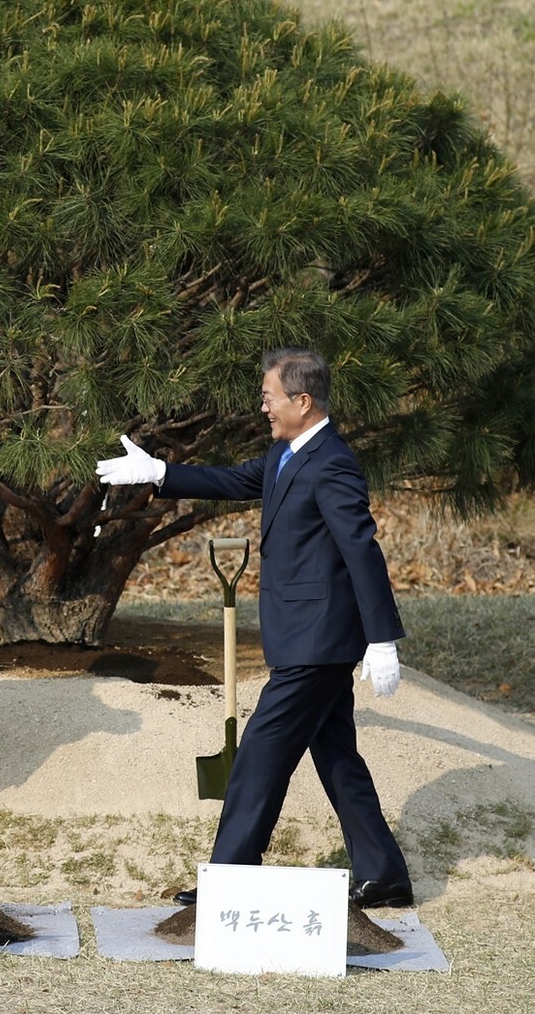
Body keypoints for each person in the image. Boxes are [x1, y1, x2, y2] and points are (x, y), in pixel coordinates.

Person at [96, 347, 413, 910]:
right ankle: (384, 873)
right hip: (306, 636)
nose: (263, 406)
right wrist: (159, 472)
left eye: (270, 397)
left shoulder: (332, 462)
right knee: (337, 754)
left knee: (260, 754)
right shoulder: (285, 454)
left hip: (317, 641)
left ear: (303, 400)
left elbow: (361, 548)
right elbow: (233, 480)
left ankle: (230, 876)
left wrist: (381, 637)